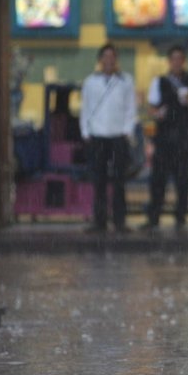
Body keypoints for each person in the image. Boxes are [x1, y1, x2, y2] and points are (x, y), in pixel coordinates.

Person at [140, 45, 188, 232]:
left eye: (180, 59)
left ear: (183, 61)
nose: (177, 62)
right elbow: (152, 108)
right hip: (164, 138)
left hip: (185, 138)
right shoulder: (159, 82)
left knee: (183, 180)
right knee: (158, 180)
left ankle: (180, 217)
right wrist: (158, 113)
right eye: (174, 59)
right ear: (169, 62)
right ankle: (154, 217)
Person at [79, 43, 137, 234]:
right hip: (97, 137)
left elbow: (131, 108)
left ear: (116, 59)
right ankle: (99, 221)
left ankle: (120, 221)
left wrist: (128, 130)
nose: (109, 60)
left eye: (112, 56)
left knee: (120, 181)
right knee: (99, 181)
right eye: (105, 56)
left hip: (119, 136)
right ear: (100, 60)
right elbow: (85, 109)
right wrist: (85, 132)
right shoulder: (90, 82)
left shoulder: (126, 81)